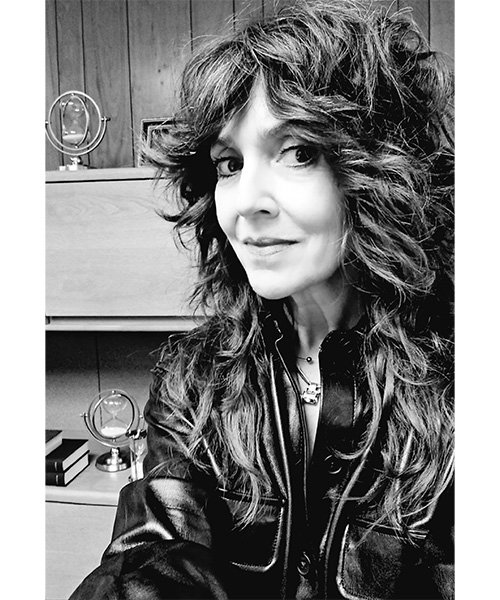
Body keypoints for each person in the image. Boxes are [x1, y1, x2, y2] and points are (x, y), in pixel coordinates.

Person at [70, 1, 454, 598]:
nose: (247, 200)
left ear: (382, 170)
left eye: (299, 152)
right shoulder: (193, 379)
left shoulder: (458, 381)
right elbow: (153, 556)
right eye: (228, 163)